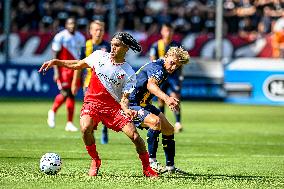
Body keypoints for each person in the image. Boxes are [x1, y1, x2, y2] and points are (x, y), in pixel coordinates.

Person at [39, 32, 158, 178]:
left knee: (134, 136)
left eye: (117, 45)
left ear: (126, 48)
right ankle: (95, 160)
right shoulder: (99, 56)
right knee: (85, 128)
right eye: (112, 44)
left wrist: (126, 109)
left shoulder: (129, 73)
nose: (112, 48)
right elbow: (78, 64)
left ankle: (147, 168)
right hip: (92, 103)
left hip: (113, 108)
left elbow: (125, 98)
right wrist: (56, 61)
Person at [129, 46, 190, 174]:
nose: (173, 67)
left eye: (177, 66)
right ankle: (151, 163)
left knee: (169, 129)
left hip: (143, 103)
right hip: (130, 104)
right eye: (172, 63)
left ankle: (170, 167)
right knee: (155, 122)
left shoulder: (164, 68)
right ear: (166, 56)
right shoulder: (157, 68)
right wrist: (167, 99)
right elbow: (151, 85)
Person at [72, 20, 111, 144]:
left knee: (104, 109)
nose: (98, 32)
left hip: (105, 84)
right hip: (89, 84)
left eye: (101, 30)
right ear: (90, 31)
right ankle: (91, 132)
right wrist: (74, 83)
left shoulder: (109, 46)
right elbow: (79, 66)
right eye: (96, 30)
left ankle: (105, 129)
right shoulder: (85, 47)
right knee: (90, 109)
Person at [47, 17, 86, 132]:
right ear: (66, 25)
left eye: (74, 23)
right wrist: (56, 71)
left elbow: (82, 56)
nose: (72, 26)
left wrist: (82, 72)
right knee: (66, 93)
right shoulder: (60, 37)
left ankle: (68, 122)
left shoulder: (81, 37)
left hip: (76, 69)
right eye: (70, 23)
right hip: (63, 70)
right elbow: (55, 55)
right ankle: (53, 112)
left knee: (71, 94)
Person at [149, 23, 183, 133]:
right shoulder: (156, 46)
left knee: (175, 96)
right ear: (162, 32)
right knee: (161, 99)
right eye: (166, 30)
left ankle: (178, 122)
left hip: (174, 77)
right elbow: (152, 62)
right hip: (161, 77)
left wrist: (181, 76)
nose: (168, 33)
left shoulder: (177, 46)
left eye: (170, 31)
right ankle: (163, 122)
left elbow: (181, 62)